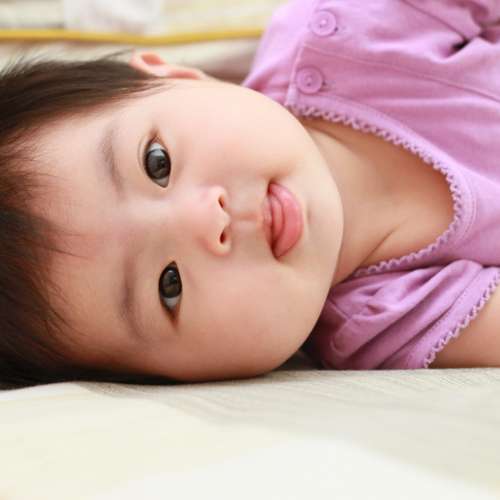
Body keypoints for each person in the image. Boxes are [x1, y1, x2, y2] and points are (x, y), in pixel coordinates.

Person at [1, 0, 500, 386]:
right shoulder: (383, 323)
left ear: (173, 76)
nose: (208, 221)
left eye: (157, 163)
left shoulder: (347, 31)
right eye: (169, 286)